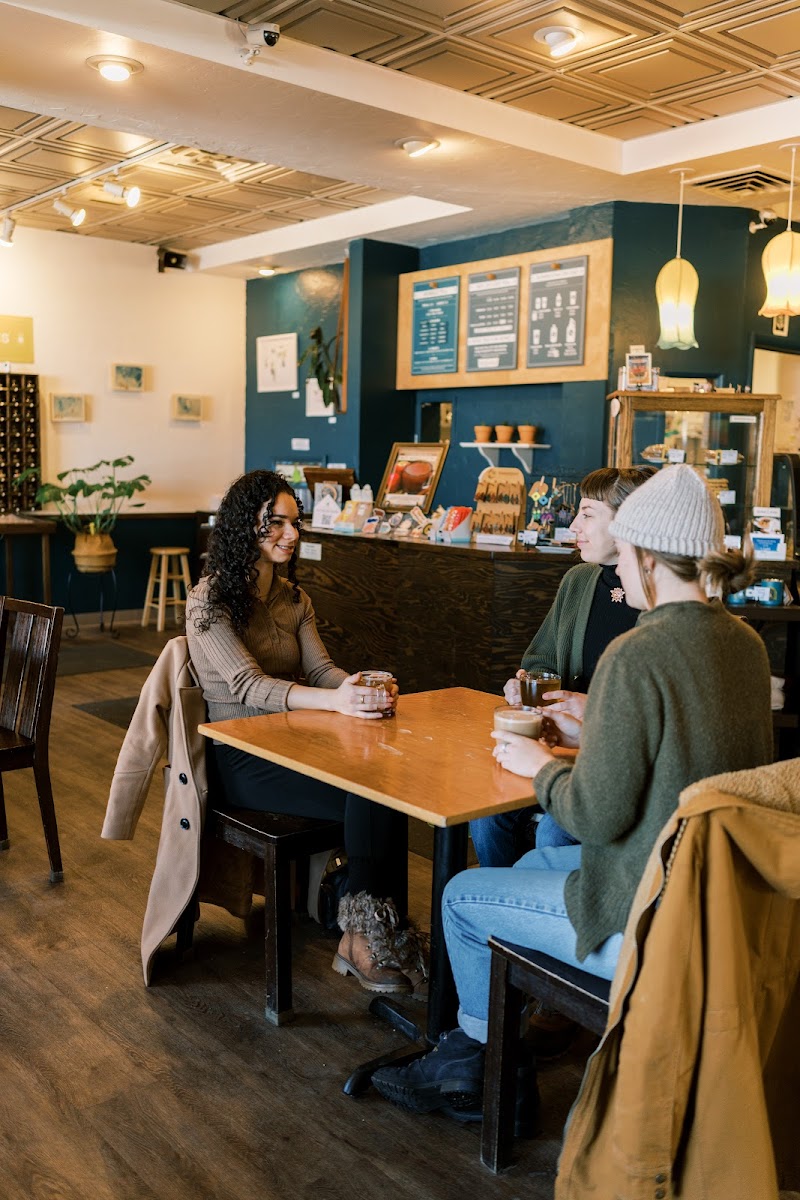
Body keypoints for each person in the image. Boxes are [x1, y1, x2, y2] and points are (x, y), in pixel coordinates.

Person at [371, 464, 773, 1120]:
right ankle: (509, 1028)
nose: (615, 576)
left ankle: (479, 1065)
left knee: (460, 896)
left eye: (625, 561)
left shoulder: (638, 654)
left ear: (645, 557)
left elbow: (592, 811)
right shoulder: (744, 645)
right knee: (529, 863)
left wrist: (538, 762)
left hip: (644, 910)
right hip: (710, 893)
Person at [186, 469, 425, 997]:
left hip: (292, 744)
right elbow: (247, 685)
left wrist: (358, 685)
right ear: (242, 527)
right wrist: (335, 701)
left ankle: (373, 928)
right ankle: (361, 937)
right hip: (236, 757)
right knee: (369, 792)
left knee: (384, 781)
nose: (290, 535)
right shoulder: (208, 602)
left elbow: (321, 672)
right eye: (276, 523)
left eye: (295, 523)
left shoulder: (295, 599)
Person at [470, 466, 656, 866]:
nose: (575, 526)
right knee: (485, 814)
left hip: (607, 759)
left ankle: (541, 915)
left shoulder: (659, 603)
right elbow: (540, 662)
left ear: (629, 522)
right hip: (560, 744)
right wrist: (524, 686)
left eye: (588, 514)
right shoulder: (579, 581)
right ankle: (507, 914)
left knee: (554, 830)